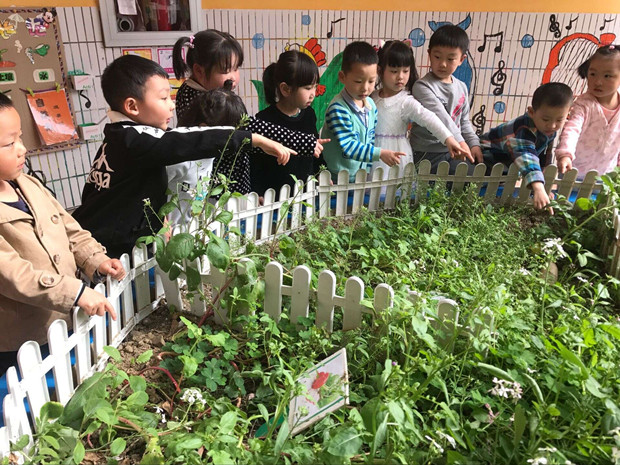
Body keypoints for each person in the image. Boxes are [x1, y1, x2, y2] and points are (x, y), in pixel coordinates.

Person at [72, 54, 295, 257]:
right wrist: (253, 139)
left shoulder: (120, 137)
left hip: (99, 236)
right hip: (107, 247)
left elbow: (94, 191)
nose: (171, 106)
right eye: (163, 98)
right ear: (132, 106)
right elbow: (190, 139)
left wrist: (159, 220)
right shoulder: (135, 140)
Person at [0, 93, 125, 375]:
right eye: (9, 143)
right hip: (22, 337)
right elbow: (13, 275)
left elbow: (69, 229)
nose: (22, 149)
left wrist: (96, 259)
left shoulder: (27, 184)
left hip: (63, 316)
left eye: (20, 138)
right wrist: (76, 292)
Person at [171, 30, 327, 195]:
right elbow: (249, 127)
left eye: (236, 68)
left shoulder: (193, 92)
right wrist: (302, 142)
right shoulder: (206, 102)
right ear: (199, 71)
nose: (234, 77)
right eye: (226, 71)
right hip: (220, 190)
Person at [168, 84, 322, 223]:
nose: (241, 136)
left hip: (235, 199)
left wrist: (307, 143)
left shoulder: (234, 129)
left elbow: (269, 132)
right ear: (204, 127)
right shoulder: (181, 156)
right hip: (197, 211)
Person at [371, 40, 470, 180]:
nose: (400, 77)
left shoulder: (406, 101)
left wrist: (448, 139)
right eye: (394, 71)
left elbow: (429, 119)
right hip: (374, 151)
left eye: (405, 71)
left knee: (393, 189)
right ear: (380, 71)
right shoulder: (371, 97)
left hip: (397, 154)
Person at [480, 82, 573, 212]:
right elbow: (526, 155)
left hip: (508, 159)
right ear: (531, 112)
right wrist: (538, 187)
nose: (552, 126)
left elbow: (544, 157)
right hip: (487, 154)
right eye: (546, 119)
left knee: (513, 173)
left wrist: (542, 188)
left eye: (559, 120)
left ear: (568, 114)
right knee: (485, 183)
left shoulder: (549, 131)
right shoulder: (524, 128)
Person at [321, 41, 404, 182]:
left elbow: (370, 140)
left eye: (371, 81)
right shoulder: (338, 109)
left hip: (360, 176)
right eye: (358, 81)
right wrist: (380, 153)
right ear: (342, 77)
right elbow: (349, 146)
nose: (365, 88)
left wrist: (367, 169)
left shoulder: (370, 105)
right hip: (337, 178)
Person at [409, 25, 482, 174]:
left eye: (450, 59)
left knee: (483, 166)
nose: (442, 64)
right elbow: (441, 117)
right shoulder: (422, 86)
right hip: (427, 152)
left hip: (452, 150)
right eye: (437, 57)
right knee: (469, 176)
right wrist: (461, 142)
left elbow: (464, 122)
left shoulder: (461, 87)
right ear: (429, 54)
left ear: (461, 59)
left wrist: (474, 144)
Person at [252, 50, 325, 197]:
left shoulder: (309, 114)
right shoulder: (264, 120)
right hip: (274, 197)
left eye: (315, 86)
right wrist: (257, 192)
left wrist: (322, 173)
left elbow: (316, 152)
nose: (313, 93)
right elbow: (256, 164)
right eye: (308, 88)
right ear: (286, 89)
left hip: (306, 195)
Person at [556, 44, 620, 176]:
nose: (598, 82)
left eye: (607, 76)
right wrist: (565, 155)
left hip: (607, 176)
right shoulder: (583, 104)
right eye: (593, 74)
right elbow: (571, 129)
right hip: (573, 172)